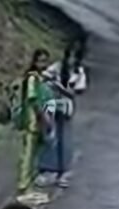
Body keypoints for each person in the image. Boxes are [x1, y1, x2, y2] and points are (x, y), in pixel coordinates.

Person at [37, 43, 83, 188]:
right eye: (69, 57)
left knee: (65, 140)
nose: (70, 60)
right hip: (52, 103)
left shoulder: (78, 72)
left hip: (66, 106)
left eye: (74, 57)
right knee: (50, 136)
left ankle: (63, 172)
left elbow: (75, 92)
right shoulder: (56, 67)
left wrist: (59, 88)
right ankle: (47, 170)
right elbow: (43, 77)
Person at [14, 48, 55, 196]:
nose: (44, 64)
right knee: (28, 155)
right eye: (41, 61)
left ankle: (29, 182)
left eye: (46, 61)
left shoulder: (40, 78)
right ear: (35, 62)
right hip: (32, 121)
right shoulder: (32, 78)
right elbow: (33, 100)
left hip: (37, 122)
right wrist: (43, 117)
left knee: (34, 155)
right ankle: (24, 184)